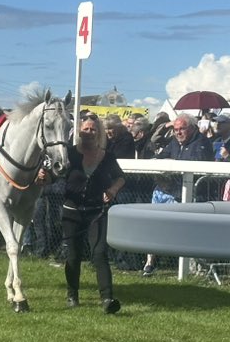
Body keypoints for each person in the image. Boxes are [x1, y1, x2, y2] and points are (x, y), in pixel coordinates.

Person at [61, 113, 125, 313]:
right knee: (73, 255)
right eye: (85, 129)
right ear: (79, 131)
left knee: (99, 253)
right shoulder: (69, 154)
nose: (88, 132)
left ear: (99, 133)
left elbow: (120, 177)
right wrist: (42, 177)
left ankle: (107, 299)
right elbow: (54, 175)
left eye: (93, 129)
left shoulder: (107, 156)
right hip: (72, 211)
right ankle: (72, 295)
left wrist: (112, 190)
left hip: (97, 212)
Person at [142, 113, 214, 276]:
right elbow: (161, 157)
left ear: (192, 128)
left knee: (183, 228)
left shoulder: (202, 143)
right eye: (175, 130)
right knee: (153, 221)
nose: (178, 133)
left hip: (190, 195)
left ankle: (191, 266)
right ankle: (150, 262)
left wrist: (171, 172)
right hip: (167, 191)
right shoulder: (174, 142)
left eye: (182, 129)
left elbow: (196, 166)